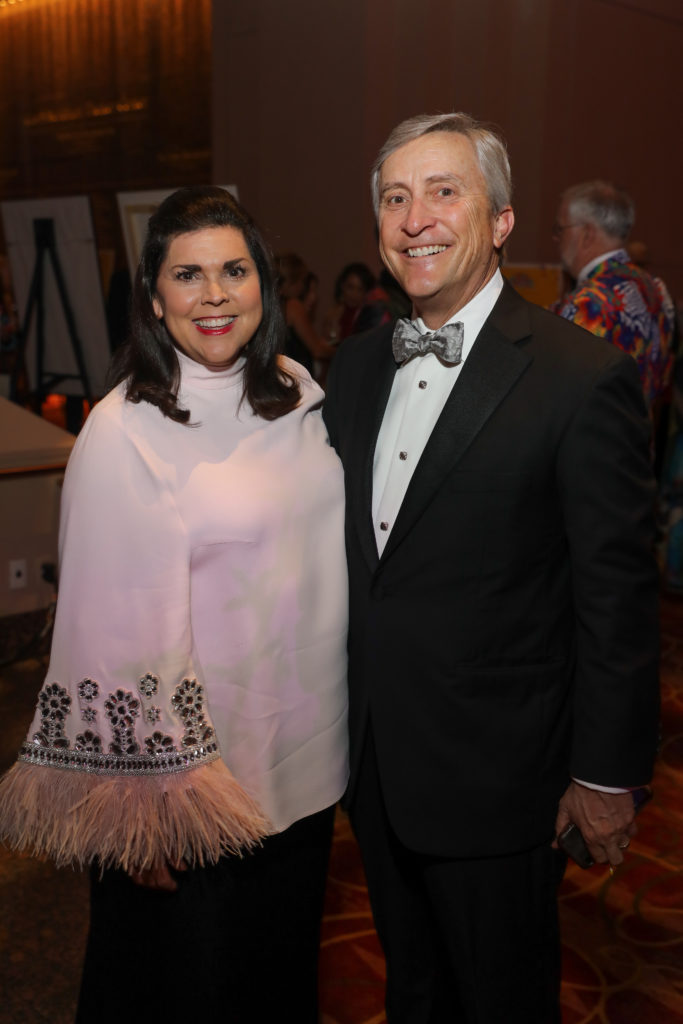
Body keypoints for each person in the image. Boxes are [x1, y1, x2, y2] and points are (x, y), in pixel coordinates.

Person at [323, 113, 660, 1023]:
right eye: (394, 198)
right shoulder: (350, 371)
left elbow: (616, 599)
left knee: (501, 1001)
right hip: (374, 767)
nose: (415, 217)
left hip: (503, 781)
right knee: (412, 994)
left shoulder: (578, 377)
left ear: (501, 222)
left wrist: (605, 773)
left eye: (444, 192)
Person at [0, 186, 348, 1023]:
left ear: (262, 283)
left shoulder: (296, 392)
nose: (215, 293)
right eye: (187, 275)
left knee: (276, 984)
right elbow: (108, 629)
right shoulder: (126, 431)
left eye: (234, 269)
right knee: (185, 993)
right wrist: (145, 807)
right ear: (154, 298)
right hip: (195, 794)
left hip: (304, 768)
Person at [552, 180, 675, 413]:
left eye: (560, 229)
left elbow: (561, 392)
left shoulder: (589, 302)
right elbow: (662, 376)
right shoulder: (657, 289)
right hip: (640, 443)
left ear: (586, 235)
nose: (556, 239)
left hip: (592, 446)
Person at [274, 250, 336, 378]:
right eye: (302, 281)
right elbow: (317, 349)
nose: (303, 287)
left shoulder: (271, 305)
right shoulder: (292, 306)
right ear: (293, 282)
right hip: (294, 376)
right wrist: (345, 351)